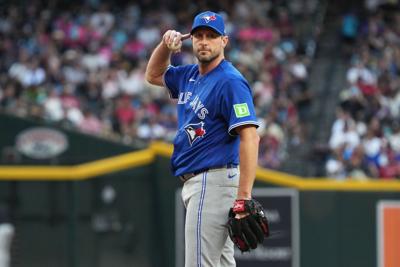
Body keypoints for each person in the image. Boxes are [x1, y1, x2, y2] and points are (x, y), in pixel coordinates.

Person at [145, 11, 260, 267]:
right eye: (199, 36)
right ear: (191, 40)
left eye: (211, 36)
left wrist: (244, 196)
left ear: (224, 41)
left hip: (213, 181)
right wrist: (165, 46)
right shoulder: (189, 76)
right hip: (204, 183)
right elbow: (153, 75)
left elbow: (251, 138)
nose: (204, 41)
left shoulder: (230, 82)